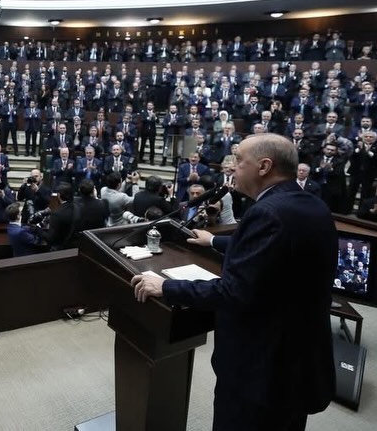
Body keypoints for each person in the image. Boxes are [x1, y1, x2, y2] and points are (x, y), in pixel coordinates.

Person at [131, 133, 336, 431]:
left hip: (260, 370)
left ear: (264, 166)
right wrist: (215, 240)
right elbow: (279, 253)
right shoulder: (311, 205)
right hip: (297, 363)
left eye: (239, 161)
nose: (232, 169)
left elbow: (234, 292)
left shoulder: (266, 213)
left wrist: (165, 286)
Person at [43, 183, 77, 250]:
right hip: (75, 247)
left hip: (60, 249)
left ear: (58, 195)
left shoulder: (57, 213)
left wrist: (37, 230)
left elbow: (51, 238)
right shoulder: (78, 207)